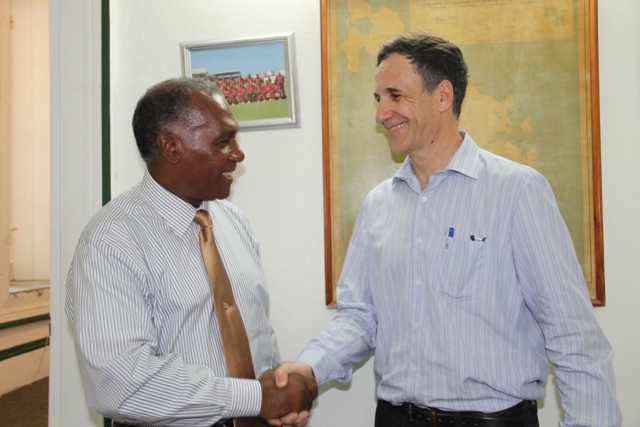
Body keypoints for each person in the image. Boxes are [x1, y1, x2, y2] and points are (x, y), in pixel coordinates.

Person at [274, 32, 622, 427]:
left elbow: (572, 334)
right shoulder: (377, 206)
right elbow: (359, 318)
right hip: (395, 418)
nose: (381, 113)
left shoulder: (517, 191)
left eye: (395, 95)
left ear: (443, 96)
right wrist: (308, 369)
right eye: (378, 99)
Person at [65, 77, 317, 427]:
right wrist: (257, 398)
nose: (239, 154)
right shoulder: (111, 242)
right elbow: (119, 384)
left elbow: (257, 331)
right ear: (171, 147)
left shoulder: (233, 222)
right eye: (223, 141)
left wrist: (276, 396)